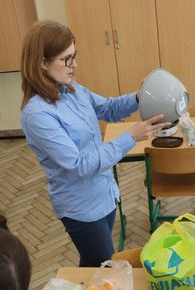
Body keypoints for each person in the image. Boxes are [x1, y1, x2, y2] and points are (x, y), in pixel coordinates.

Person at [20, 20, 169, 267]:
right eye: (66, 59)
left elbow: (108, 108)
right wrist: (131, 137)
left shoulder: (71, 89)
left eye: (74, 56)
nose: (74, 65)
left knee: (94, 265)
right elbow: (79, 165)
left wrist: (139, 96)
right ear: (42, 63)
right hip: (81, 208)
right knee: (103, 266)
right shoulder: (37, 115)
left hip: (104, 193)